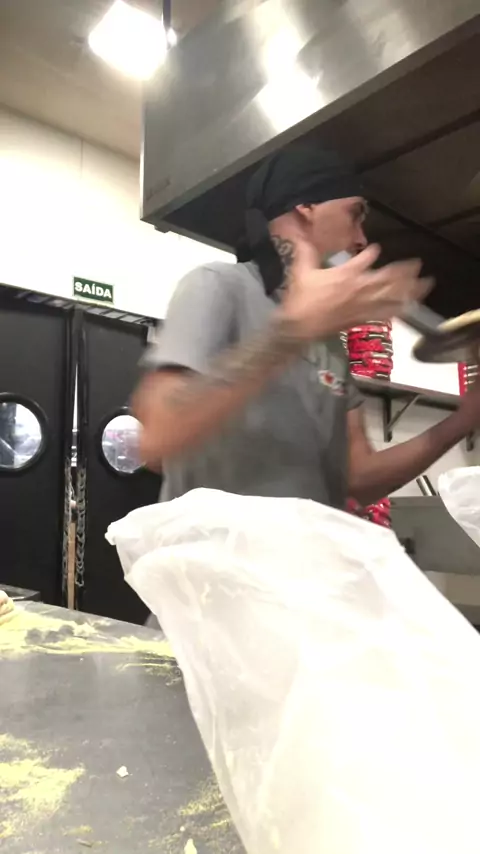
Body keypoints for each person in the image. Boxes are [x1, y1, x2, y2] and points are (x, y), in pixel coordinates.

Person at [134, 146, 480, 511]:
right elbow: (157, 439)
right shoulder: (218, 285)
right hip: (215, 546)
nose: (361, 239)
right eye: (355, 214)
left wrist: (467, 417)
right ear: (307, 206)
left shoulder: (329, 340)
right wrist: (292, 332)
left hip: (307, 547)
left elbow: (359, 480)